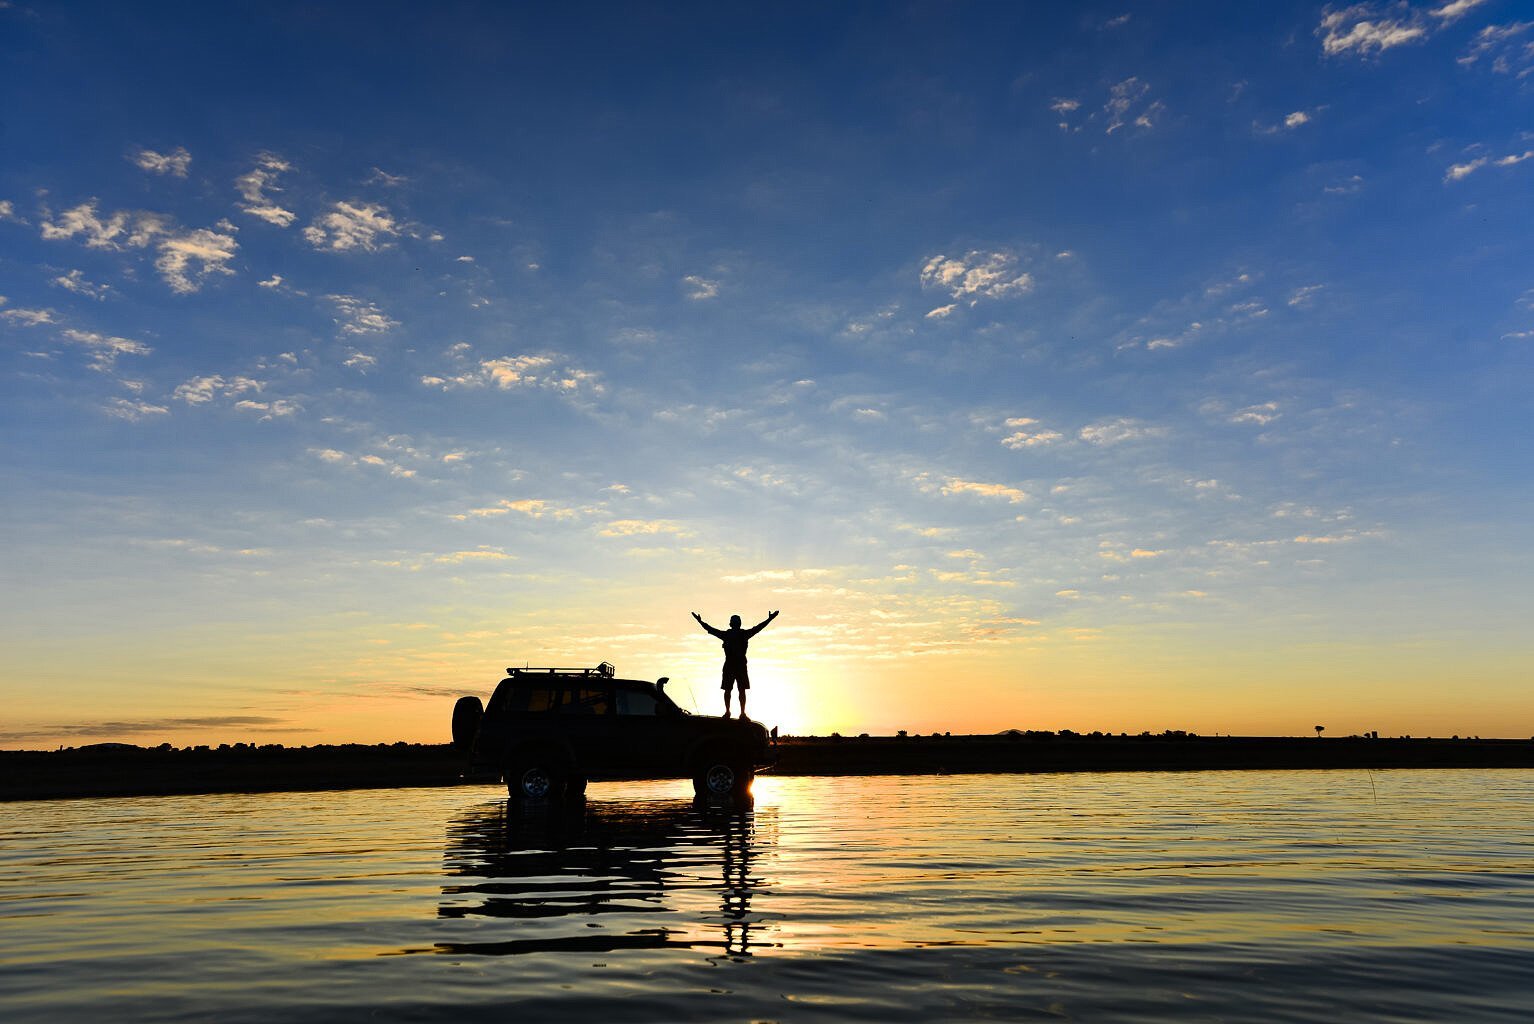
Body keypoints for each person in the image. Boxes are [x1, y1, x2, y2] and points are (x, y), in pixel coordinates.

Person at [691, 609, 779, 718]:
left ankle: (738, 713)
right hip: (733, 666)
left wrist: (700, 622)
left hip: (737, 666)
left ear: (732, 623)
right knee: (733, 690)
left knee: (736, 690)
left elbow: (758, 628)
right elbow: (758, 628)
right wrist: (700, 622)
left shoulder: (736, 634)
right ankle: (732, 712)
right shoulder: (736, 634)